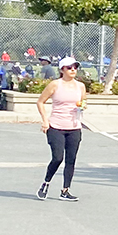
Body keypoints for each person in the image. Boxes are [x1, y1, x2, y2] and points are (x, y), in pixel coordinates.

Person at [36, 56, 85, 201]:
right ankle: (46, 182)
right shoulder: (55, 85)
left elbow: (83, 101)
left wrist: (82, 106)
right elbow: (40, 102)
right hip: (56, 126)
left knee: (71, 159)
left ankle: (65, 190)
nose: (73, 70)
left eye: (75, 67)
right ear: (62, 69)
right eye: (69, 68)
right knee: (57, 158)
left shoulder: (80, 86)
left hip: (74, 127)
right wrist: (45, 121)